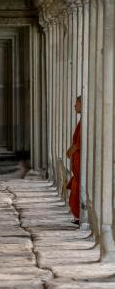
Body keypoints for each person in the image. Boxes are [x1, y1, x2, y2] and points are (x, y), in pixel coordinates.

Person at [67, 96, 81, 225]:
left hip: (81, 161)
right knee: (76, 189)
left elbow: (80, 142)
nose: (74, 106)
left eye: (77, 103)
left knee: (78, 189)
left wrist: (71, 150)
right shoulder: (81, 122)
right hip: (77, 161)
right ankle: (79, 216)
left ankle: (81, 216)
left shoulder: (85, 123)